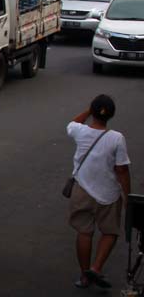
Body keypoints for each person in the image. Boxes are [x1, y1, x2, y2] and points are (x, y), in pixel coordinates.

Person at [67, 95, 131, 290]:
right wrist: (128, 196)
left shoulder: (80, 131)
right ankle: (96, 268)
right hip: (108, 194)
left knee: (84, 232)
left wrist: (89, 110)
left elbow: (73, 122)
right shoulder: (116, 138)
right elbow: (121, 170)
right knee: (110, 231)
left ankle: (84, 275)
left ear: (93, 113)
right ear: (111, 115)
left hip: (82, 190)